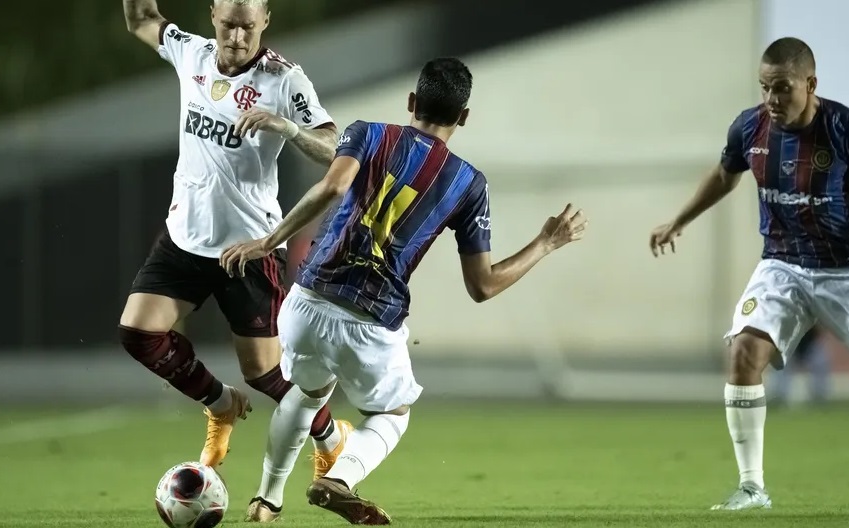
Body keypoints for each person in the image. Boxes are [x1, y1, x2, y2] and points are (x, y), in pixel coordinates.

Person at [220, 57, 588, 524]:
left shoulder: (367, 133)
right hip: (370, 320)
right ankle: (340, 477)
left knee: (307, 393)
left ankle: (265, 501)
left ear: (412, 102)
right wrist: (545, 243)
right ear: (464, 117)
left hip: (306, 303)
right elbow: (483, 286)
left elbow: (333, 189)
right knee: (393, 414)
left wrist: (268, 241)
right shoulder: (469, 184)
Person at [650, 37, 849, 511]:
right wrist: (679, 219)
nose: (772, 100)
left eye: (782, 88)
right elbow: (723, 176)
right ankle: (753, 488)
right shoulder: (749, 128)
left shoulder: (848, 129)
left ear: (810, 83)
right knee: (743, 353)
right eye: (764, 89)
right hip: (782, 265)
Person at [118, 0, 352, 481]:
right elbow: (141, 18)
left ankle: (333, 438)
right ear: (213, 16)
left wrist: (286, 126)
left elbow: (335, 148)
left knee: (266, 375)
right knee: (139, 333)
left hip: (249, 249)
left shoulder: (285, 79)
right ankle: (221, 405)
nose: (238, 37)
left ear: (266, 20)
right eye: (230, 25)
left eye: (249, 26)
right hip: (185, 238)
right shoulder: (192, 54)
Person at [767, 325, 831, 405]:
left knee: (820, 360)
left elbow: (821, 328)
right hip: (789, 343)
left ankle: (819, 397)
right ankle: (778, 397)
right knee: (780, 360)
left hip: (810, 343)